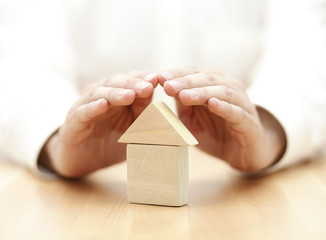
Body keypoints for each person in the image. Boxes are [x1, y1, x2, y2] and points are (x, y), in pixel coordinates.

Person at [0, 0, 325, 178]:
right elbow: (19, 62)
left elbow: (309, 53)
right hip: (93, 179)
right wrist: (55, 141)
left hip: (248, 178)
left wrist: (269, 130)